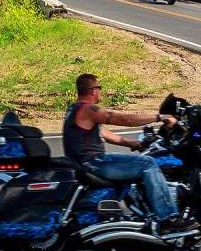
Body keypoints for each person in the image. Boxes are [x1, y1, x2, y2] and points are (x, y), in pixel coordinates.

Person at [63, 73, 185, 234]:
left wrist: (132, 143)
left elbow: (102, 132)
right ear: (93, 90)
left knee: (140, 163)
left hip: (85, 162)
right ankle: (168, 218)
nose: (101, 91)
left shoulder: (74, 109)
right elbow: (123, 119)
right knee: (148, 164)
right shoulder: (88, 109)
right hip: (94, 162)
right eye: (100, 88)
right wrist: (160, 117)